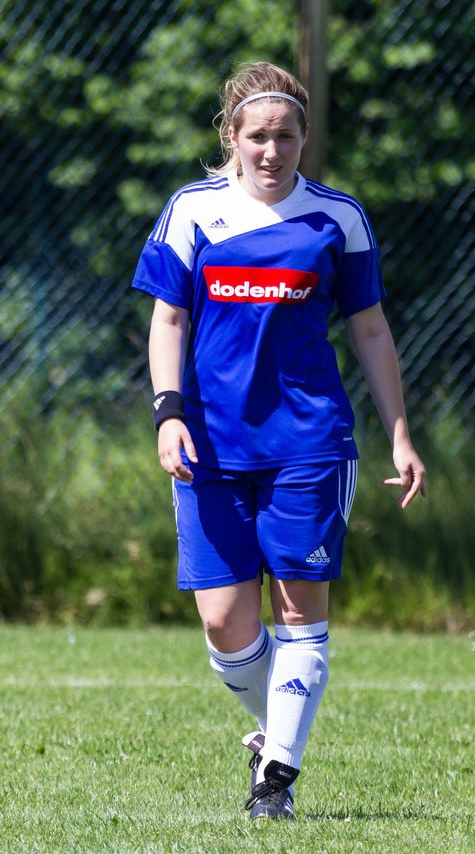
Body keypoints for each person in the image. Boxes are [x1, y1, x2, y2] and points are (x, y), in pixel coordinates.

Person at [131, 61, 427, 819]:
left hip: (310, 442)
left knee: (300, 611)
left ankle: (277, 781)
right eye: (257, 135)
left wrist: (400, 433)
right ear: (231, 136)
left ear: (305, 138)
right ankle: (277, 733)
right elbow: (168, 318)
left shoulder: (338, 218)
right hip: (209, 445)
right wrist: (168, 412)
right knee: (225, 623)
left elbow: (369, 328)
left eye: (287, 135)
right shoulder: (192, 211)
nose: (272, 149)